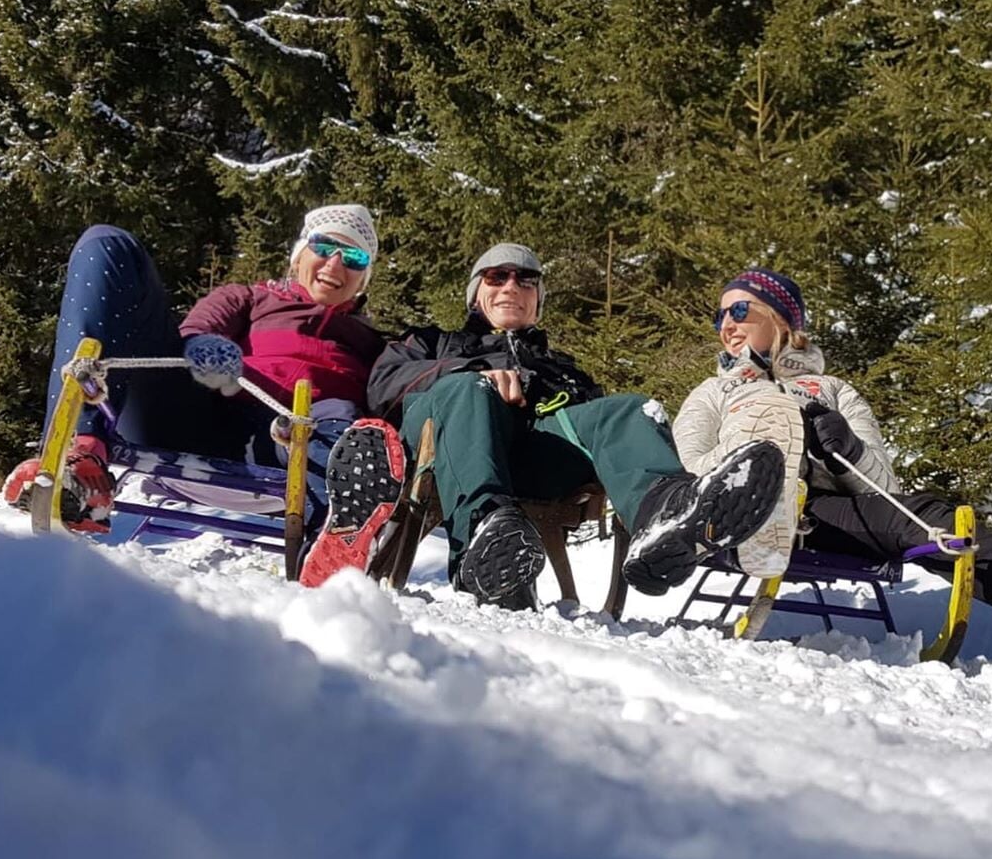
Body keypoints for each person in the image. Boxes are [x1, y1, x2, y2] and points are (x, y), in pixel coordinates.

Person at [301, 242, 789, 606]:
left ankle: (667, 517)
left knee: (627, 409)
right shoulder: (435, 342)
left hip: (535, 454)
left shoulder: (562, 367)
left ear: (537, 298)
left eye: (525, 279)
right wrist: (472, 373)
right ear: (477, 293)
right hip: (449, 444)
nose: (511, 286)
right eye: (496, 277)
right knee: (470, 391)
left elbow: (596, 433)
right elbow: (383, 385)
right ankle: (486, 541)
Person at [4, 204, 389, 580]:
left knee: (350, 430)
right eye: (323, 247)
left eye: (354, 257)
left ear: (364, 278)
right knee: (107, 242)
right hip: (192, 417)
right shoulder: (250, 298)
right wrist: (202, 348)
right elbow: (197, 329)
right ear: (298, 253)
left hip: (298, 450)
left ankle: (335, 542)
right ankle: (79, 457)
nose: (335, 265)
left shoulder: (373, 344)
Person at [673, 268, 992, 619]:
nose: (727, 325)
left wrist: (846, 450)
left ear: (781, 319)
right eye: (719, 316)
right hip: (741, 513)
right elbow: (689, 471)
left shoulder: (832, 390)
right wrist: (756, 445)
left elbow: (886, 489)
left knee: (924, 517)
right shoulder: (713, 392)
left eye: (739, 310)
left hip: (819, 516)